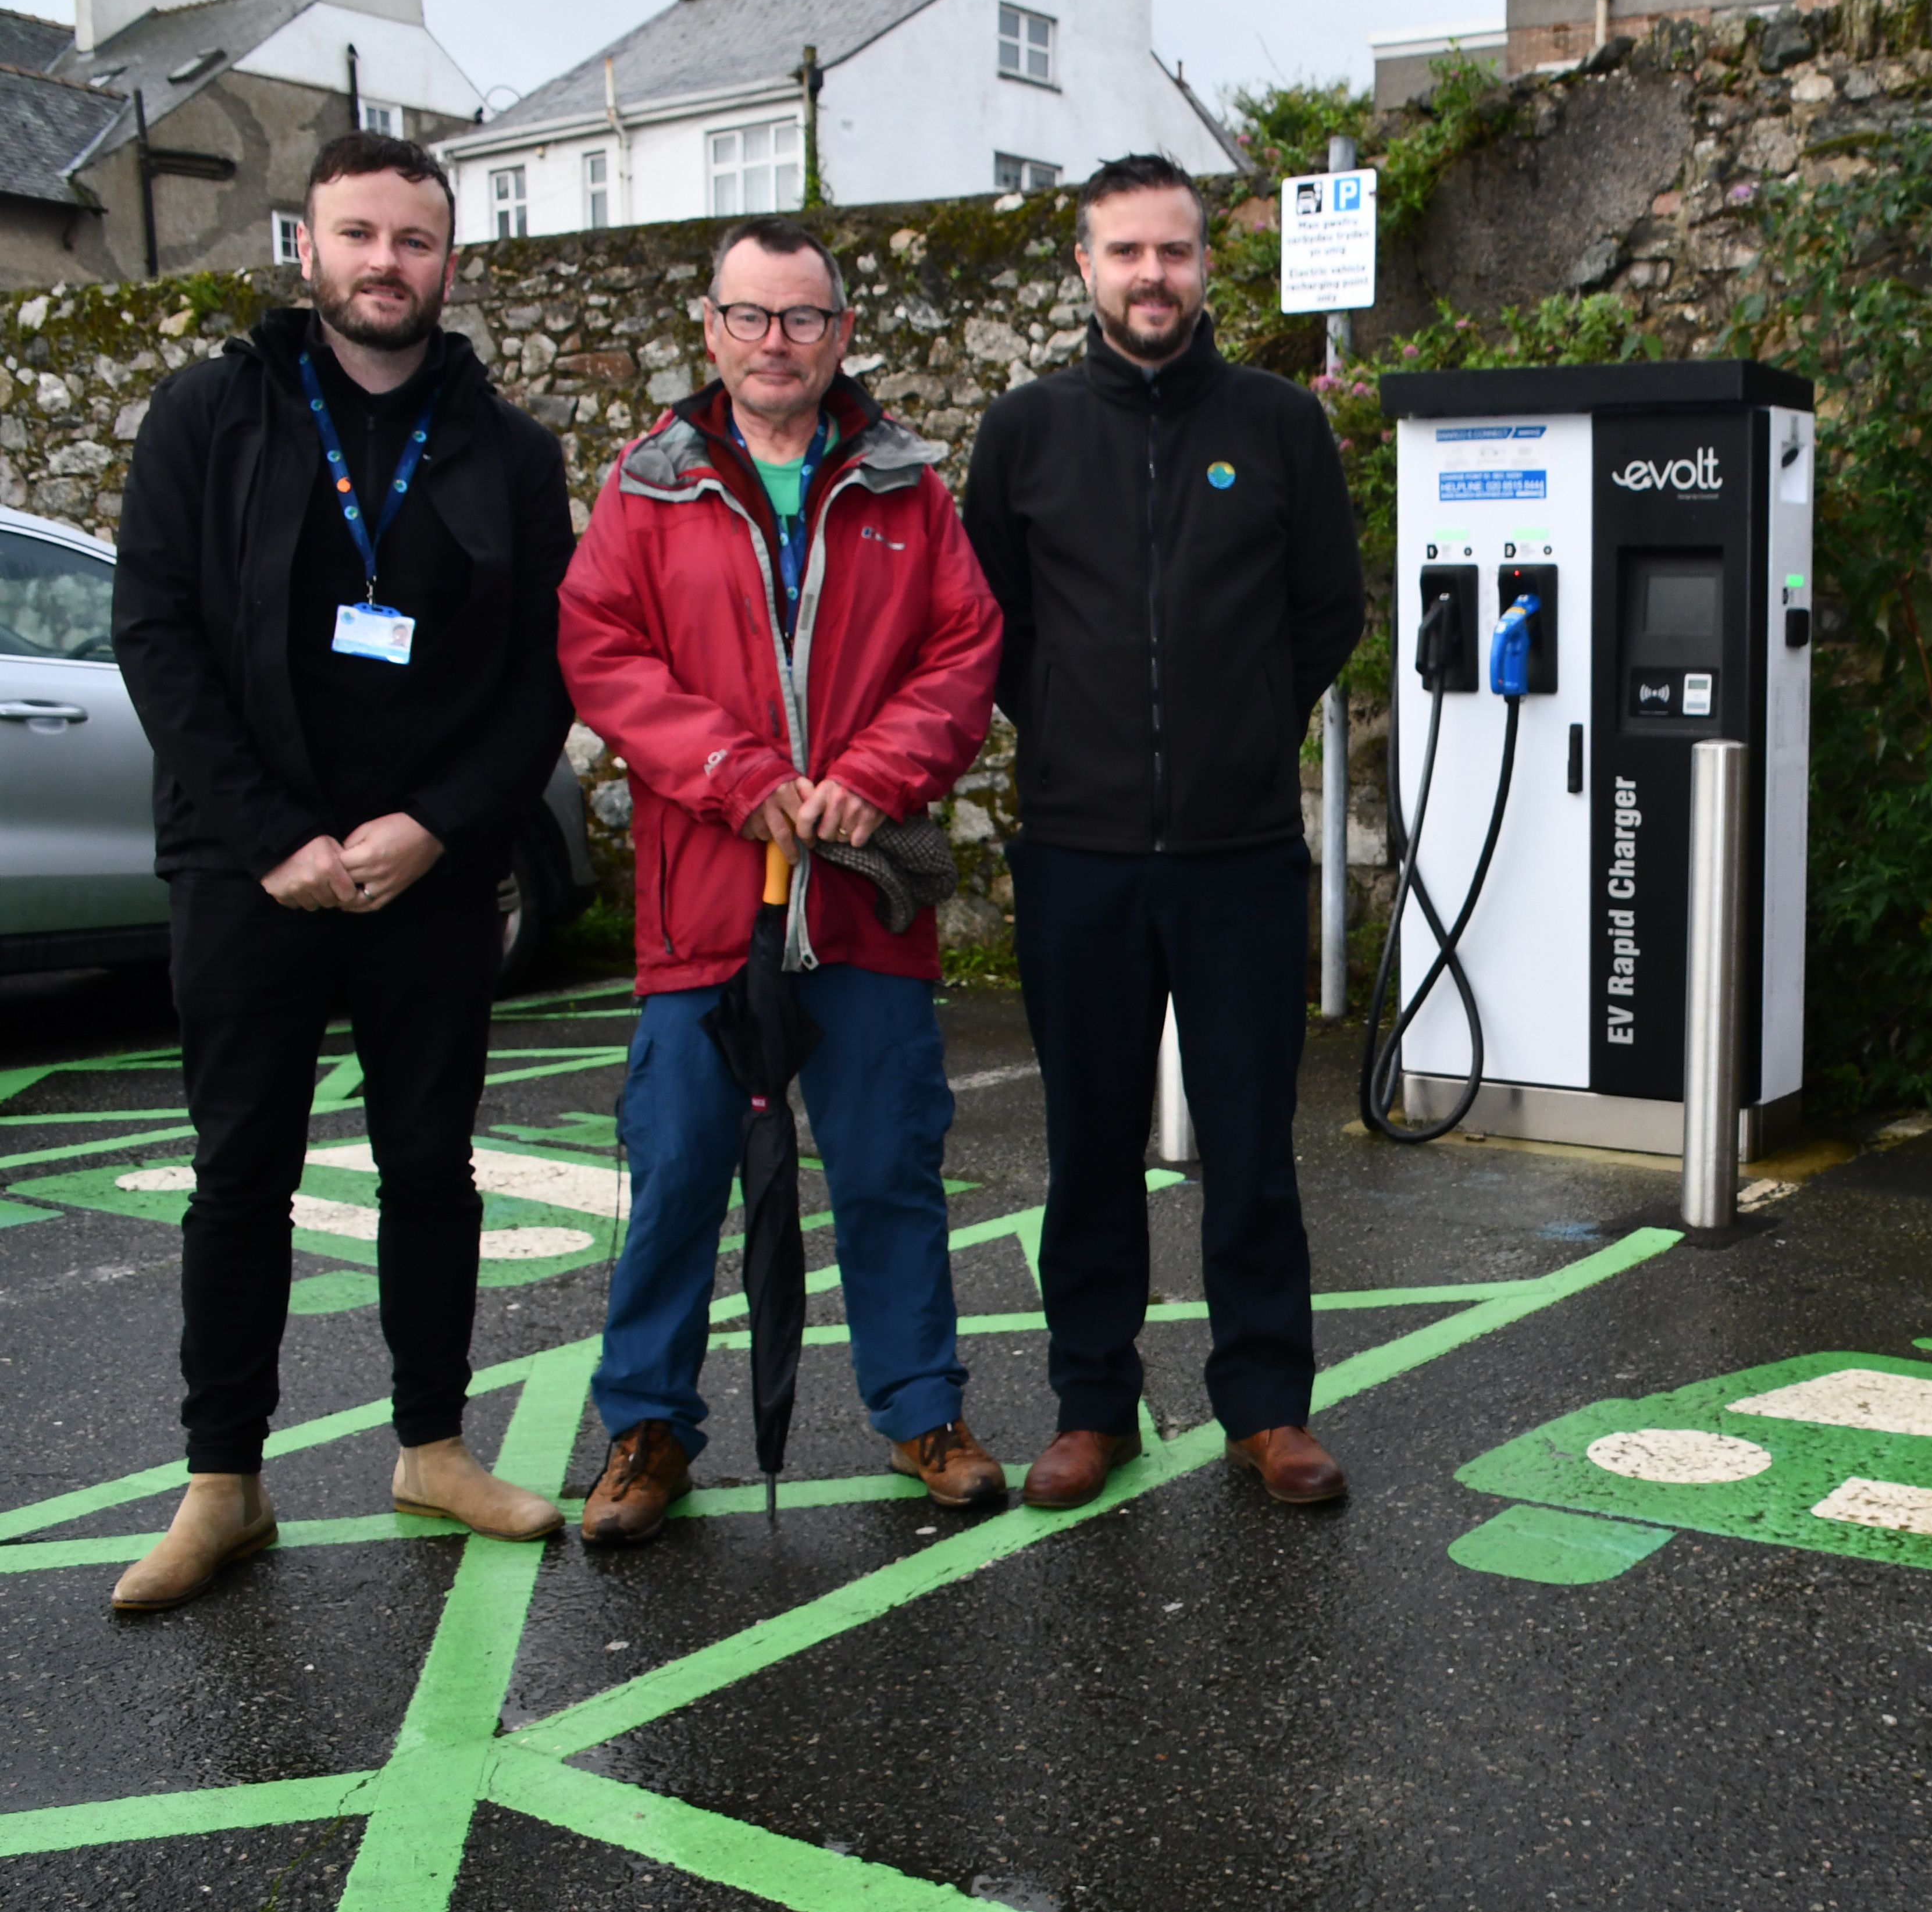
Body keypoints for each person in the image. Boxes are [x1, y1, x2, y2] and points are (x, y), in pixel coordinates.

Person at [108, 133, 575, 1610]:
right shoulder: (209, 413)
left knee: (429, 1169)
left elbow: (540, 676)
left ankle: (432, 1445)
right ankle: (221, 1483)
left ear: (451, 260)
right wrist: (274, 840)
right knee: (240, 1172)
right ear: (305, 246)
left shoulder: (508, 448)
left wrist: (430, 827)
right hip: (249, 868)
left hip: (427, 875)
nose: (388, 261)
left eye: (416, 239)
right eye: (359, 233)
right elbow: (158, 638)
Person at [558, 216, 1003, 1543]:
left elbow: (964, 652)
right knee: (682, 1168)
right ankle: (646, 1426)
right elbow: (601, 647)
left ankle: (924, 1409)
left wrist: (877, 768)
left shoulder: (907, 485)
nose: (775, 342)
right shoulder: (648, 483)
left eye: (802, 318)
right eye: (750, 317)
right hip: (706, 902)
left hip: (862, 900)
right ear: (710, 328)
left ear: (841, 333)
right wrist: (728, 767)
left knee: (886, 1168)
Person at [962, 154, 1365, 1509]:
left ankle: (1266, 1404)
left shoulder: (1280, 426)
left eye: (1176, 252)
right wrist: (1076, 729)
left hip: (1240, 851)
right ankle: (1093, 1405)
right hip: (1076, 850)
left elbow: (1328, 611)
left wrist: (1245, 727)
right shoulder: (1023, 434)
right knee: (1087, 1142)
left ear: (1207, 267)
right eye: (1127, 252)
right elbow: (993, 624)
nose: (1153, 276)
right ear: (1085, 266)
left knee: (1251, 1144)